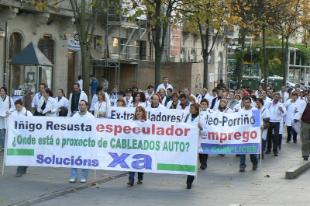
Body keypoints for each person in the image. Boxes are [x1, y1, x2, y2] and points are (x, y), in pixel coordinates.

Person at [69, 100, 94, 183]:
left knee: (85, 159)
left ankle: (84, 176)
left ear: (86, 106)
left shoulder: (90, 117)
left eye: (83, 105)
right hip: (76, 141)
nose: (81, 106)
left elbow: (93, 130)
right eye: (80, 105)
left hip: (86, 142)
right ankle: (73, 176)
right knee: (74, 158)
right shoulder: (75, 116)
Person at [10, 99, 33, 177]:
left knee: (24, 153)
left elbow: (33, 124)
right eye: (16, 107)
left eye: (19, 107)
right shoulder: (13, 113)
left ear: (22, 105)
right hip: (17, 136)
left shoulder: (28, 113)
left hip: (26, 136)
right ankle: (22, 169)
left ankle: (20, 170)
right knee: (21, 153)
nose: (17, 108)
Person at [127, 106, 147, 186]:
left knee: (140, 162)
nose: (138, 112)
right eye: (136, 111)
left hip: (142, 145)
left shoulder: (146, 122)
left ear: (143, 112)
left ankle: (140, 177)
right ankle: (131, 179)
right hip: (133, 145)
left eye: (140, 111)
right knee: (131, 161)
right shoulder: (131, 122)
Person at [184, 103, 202, 189]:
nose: (190, 109)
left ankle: (189, 181)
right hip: (187, 142)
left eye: (192, 108)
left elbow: (205, 132)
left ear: (196, 110)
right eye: (190, 108)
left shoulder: (201, 118)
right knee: (187, 161)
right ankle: (189, 176)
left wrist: (201, 128)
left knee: (192, 162)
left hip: (195, 144)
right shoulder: (187, 116)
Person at [239, 96, 258, 172]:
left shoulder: (255, 110)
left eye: (248, 102)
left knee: (252, 152)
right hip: (243, 134)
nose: (246, 103)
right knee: (242, 151)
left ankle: (254, 162)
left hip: (252, 134)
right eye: (245, 102)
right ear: (243, 103)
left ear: (250, 102)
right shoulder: (241, 111)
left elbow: (257, 122)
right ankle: (242, 166)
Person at [0, 86, 14, 151]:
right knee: (1, 132)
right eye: (0, 91)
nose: (1, 92)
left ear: (5, 92)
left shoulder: (9, 99)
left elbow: (13, 107)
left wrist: (9, 112)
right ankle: (2, 146)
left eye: (3, 91)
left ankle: (7, 145)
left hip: (7, 117)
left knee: (7, 131)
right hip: (0, 117)